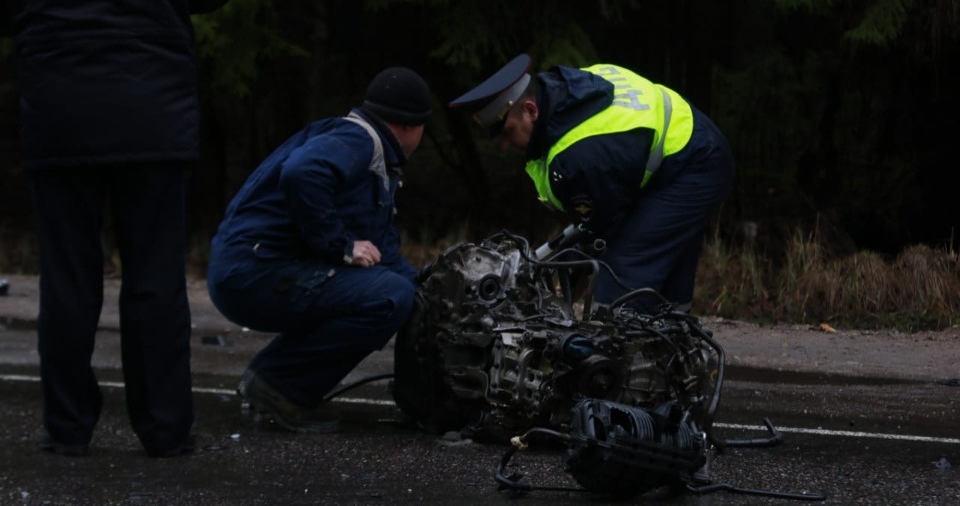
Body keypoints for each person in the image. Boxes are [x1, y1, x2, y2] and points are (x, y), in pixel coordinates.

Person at [0, 0, 240, 457]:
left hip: (57, 109)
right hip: (150, 108)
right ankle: (163, 428)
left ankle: (67, 428)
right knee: (155, 278)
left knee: (66, 278)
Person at [207, 67, 432, 433]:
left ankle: (273, 379)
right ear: (411, 125)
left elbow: (385, 256)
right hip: (254, 270)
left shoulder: (369, 159)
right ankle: (280, 386)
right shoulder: (359, 139)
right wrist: (339, 246)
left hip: (250, 269)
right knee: (390, 298)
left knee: (398, 290)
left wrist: (430, 290)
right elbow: (302, 172)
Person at [449, 54, 735, 314]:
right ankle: (674, 348)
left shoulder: (577, 158)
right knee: (663, 263)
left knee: (625, 270)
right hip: (678, 146)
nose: (502, 144)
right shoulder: (566, 90)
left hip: (695, 164)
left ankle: (616, 354)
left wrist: (572, 286)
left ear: (531, 109)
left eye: (506, 131)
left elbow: (602, 232)